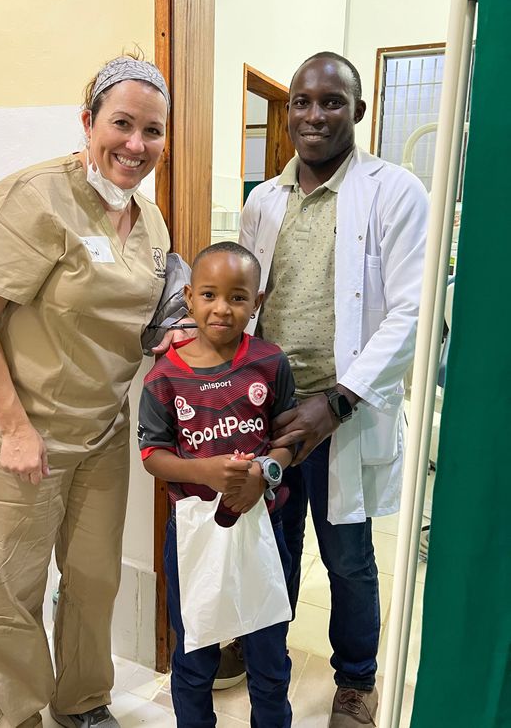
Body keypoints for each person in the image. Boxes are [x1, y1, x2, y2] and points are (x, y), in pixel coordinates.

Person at [0, 55, 185, 728]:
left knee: (94, 580)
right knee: (12, 591)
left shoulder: (150, 218)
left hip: (101, 431)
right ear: (88, 122)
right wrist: (16, 429)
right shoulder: (33, 197)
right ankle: (17, 714)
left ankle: (82, 702)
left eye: (152, 131)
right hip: (21, 431)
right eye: (121, 124)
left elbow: (138, 321)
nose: (136, 145)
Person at [216, 52, 428, 727]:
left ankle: (355, 681)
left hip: (343, 412)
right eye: (302, 102)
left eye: (332, 102)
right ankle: (261, 652)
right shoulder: (263, 201)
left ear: (358, 112)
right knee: (267, 547)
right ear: (289, 115)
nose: (314, 114)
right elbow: (247, 299)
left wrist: (336, 400)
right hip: (270, 411)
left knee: (347, 558)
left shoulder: (395, 192)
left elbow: (413, 309)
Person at [139, 242, 297, 728]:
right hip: (193, 539)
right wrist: (204, 472)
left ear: (258, 302)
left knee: (268, 656)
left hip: (263, 531)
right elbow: (153, 456)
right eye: (208, 294)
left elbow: (289, 439)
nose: (222, 309)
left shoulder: (270, 363)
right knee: (194, 655)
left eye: (237, 297)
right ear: (189, 297)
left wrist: (264, 474)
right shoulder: (164, 377)